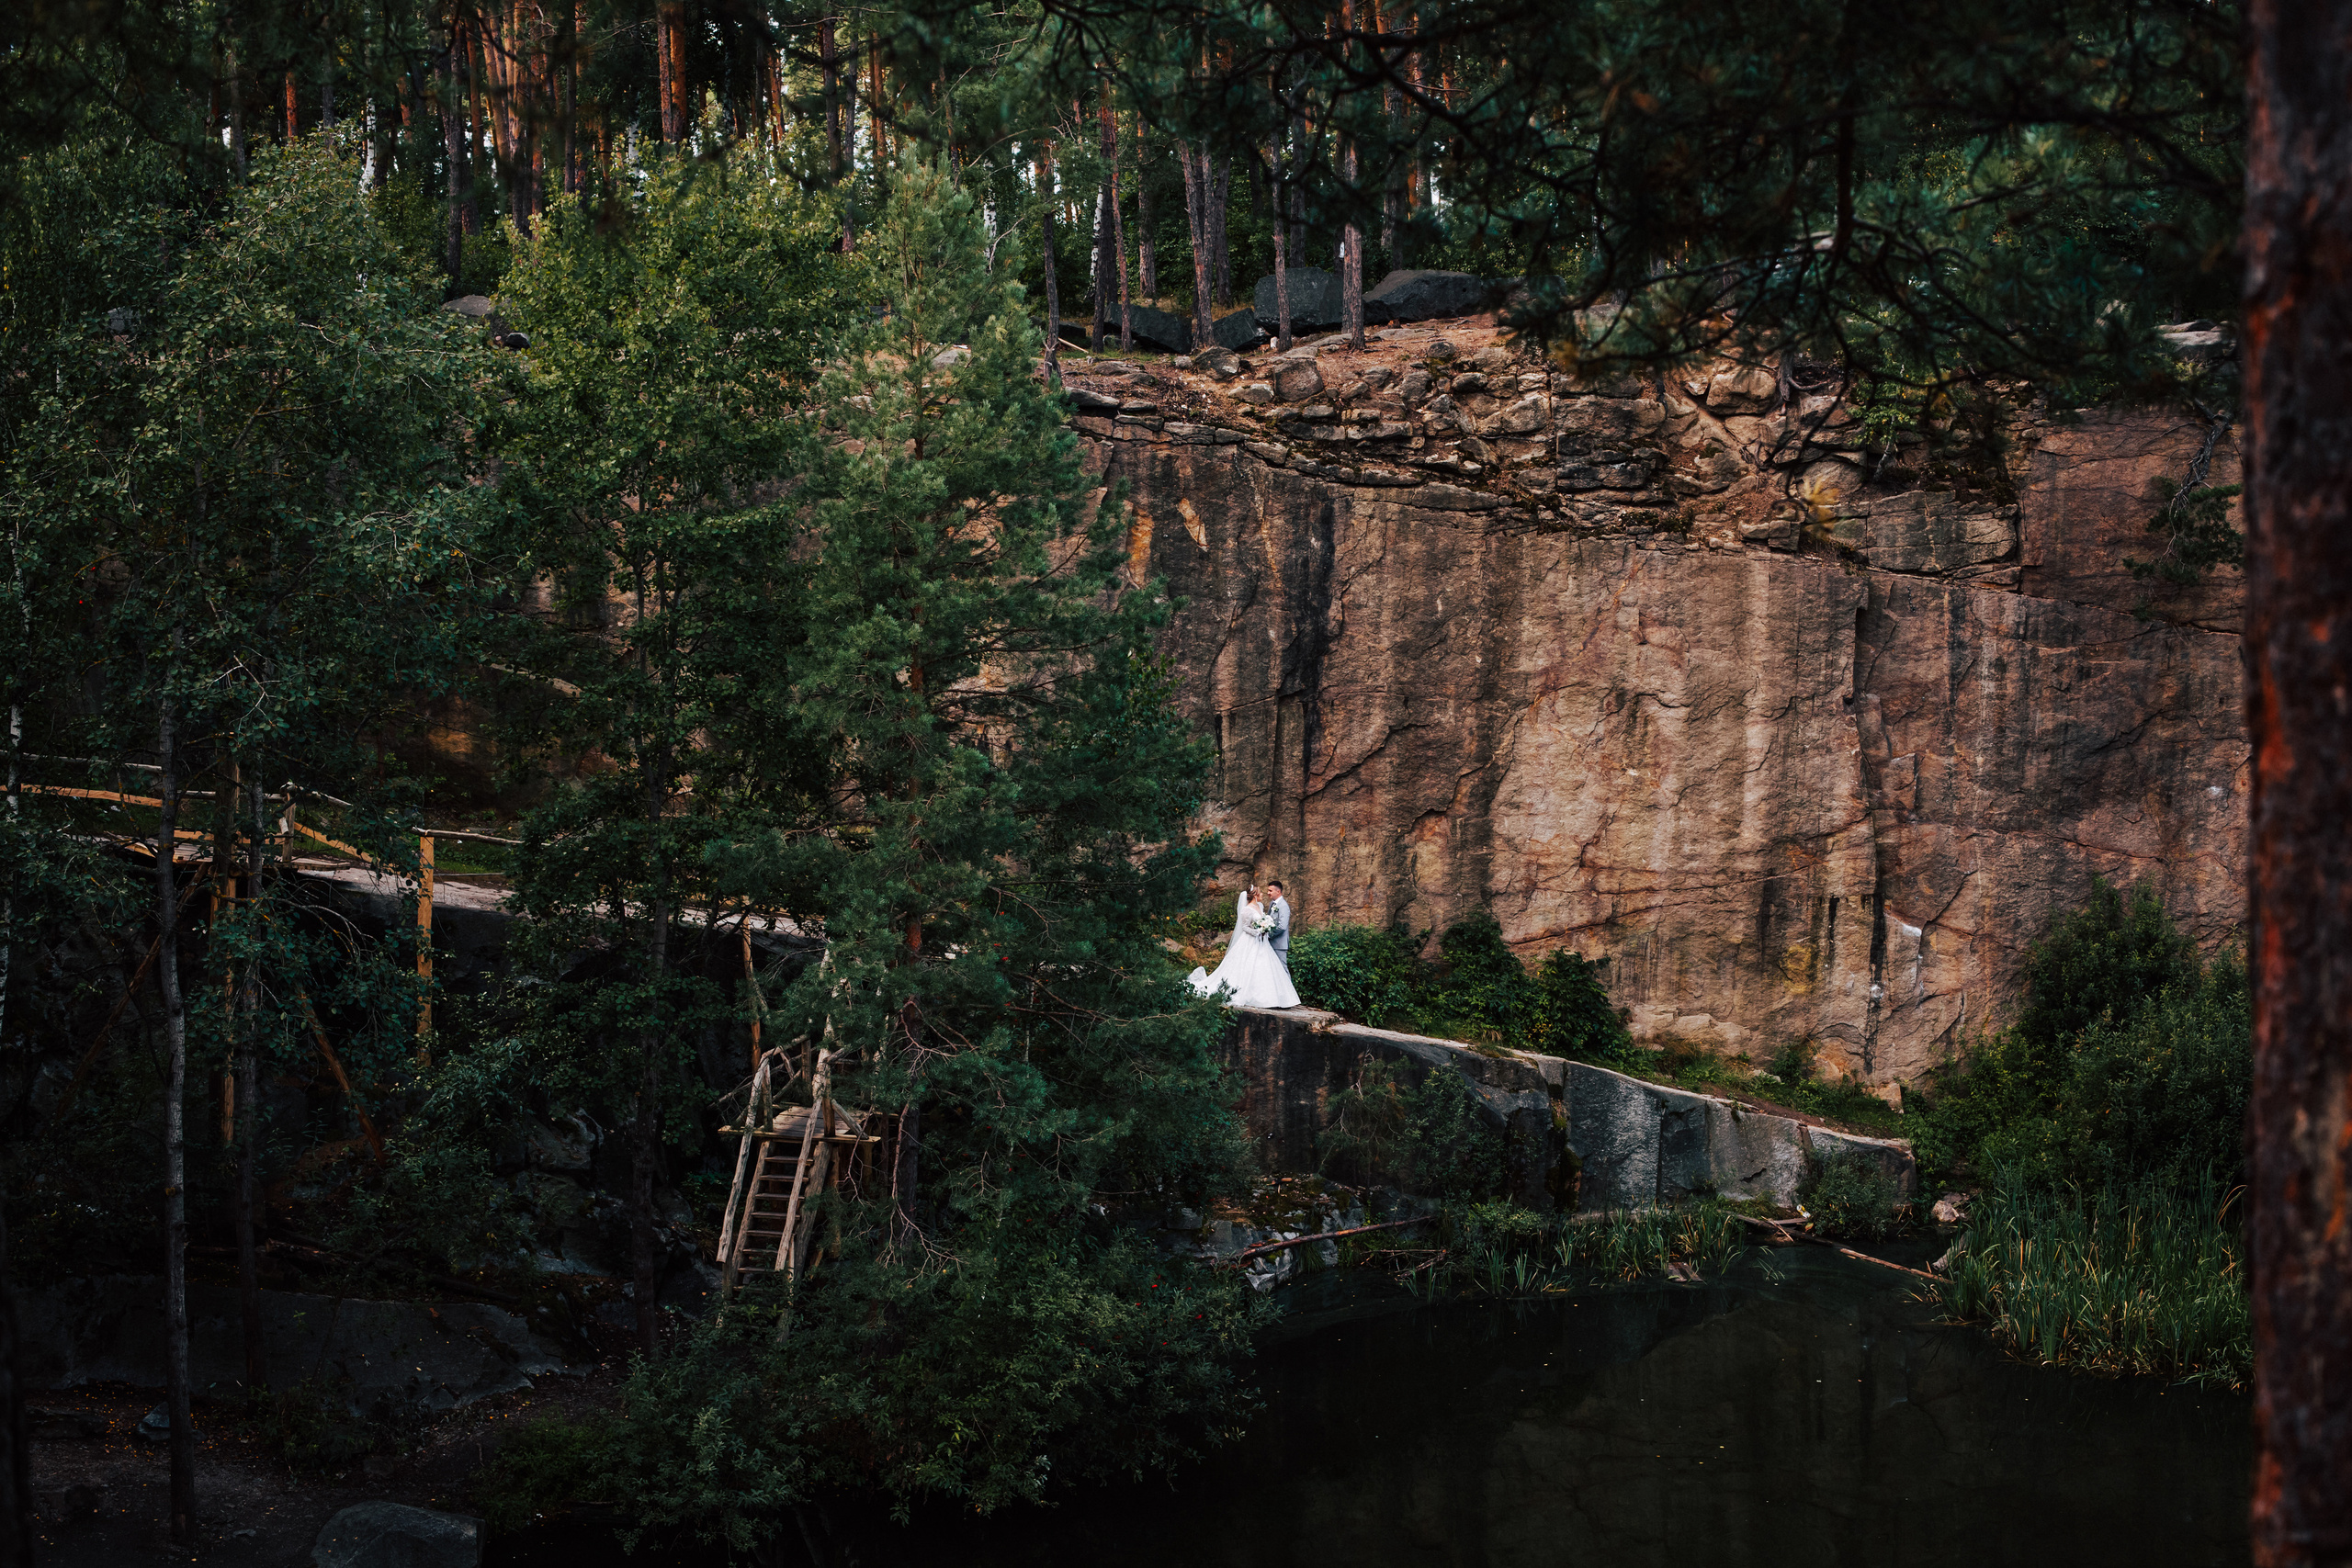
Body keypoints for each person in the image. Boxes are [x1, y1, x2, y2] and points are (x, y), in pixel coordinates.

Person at [1186, 882, 1300, 1009]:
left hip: (1263, 942)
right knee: (1250, 966)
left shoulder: (1262, 907)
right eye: (1261, 892)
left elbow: (1275, 924)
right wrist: (1258, 932)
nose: (1264, 894)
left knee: (1271, 968)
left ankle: (1283, 998)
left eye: (1269, 891)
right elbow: (1245, 927)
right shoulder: (1247, 909)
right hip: (1252, 940)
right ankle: (1265, 997)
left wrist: (1265, 931)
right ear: (1255, 895)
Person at [1264, 880, 1292, 967]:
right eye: (1268, 890)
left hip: (1279, 944)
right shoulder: (1272, 904)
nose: (1268, 893)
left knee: (1282, 969)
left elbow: (1282, 927)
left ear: (1278, 891)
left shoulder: (1283, 906)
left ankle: (1287, 982)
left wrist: (1268, 935)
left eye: (1270, 891)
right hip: (1270, 943)